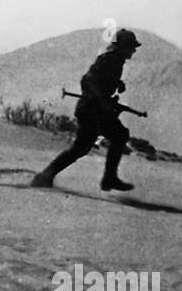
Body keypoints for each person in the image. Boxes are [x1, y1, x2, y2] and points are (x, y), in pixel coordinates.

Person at [31, 28, 142, 191]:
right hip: (92, 110)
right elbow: (87, 80)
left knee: (88, 145)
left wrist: (117, 84)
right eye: (130, 46)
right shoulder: (109, 60)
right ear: (122, 46)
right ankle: (107, 178)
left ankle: (47, 175)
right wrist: (101, 98)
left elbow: (101, 80)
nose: (133, 50)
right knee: (100, 141)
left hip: (95, 110)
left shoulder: (115, 61)